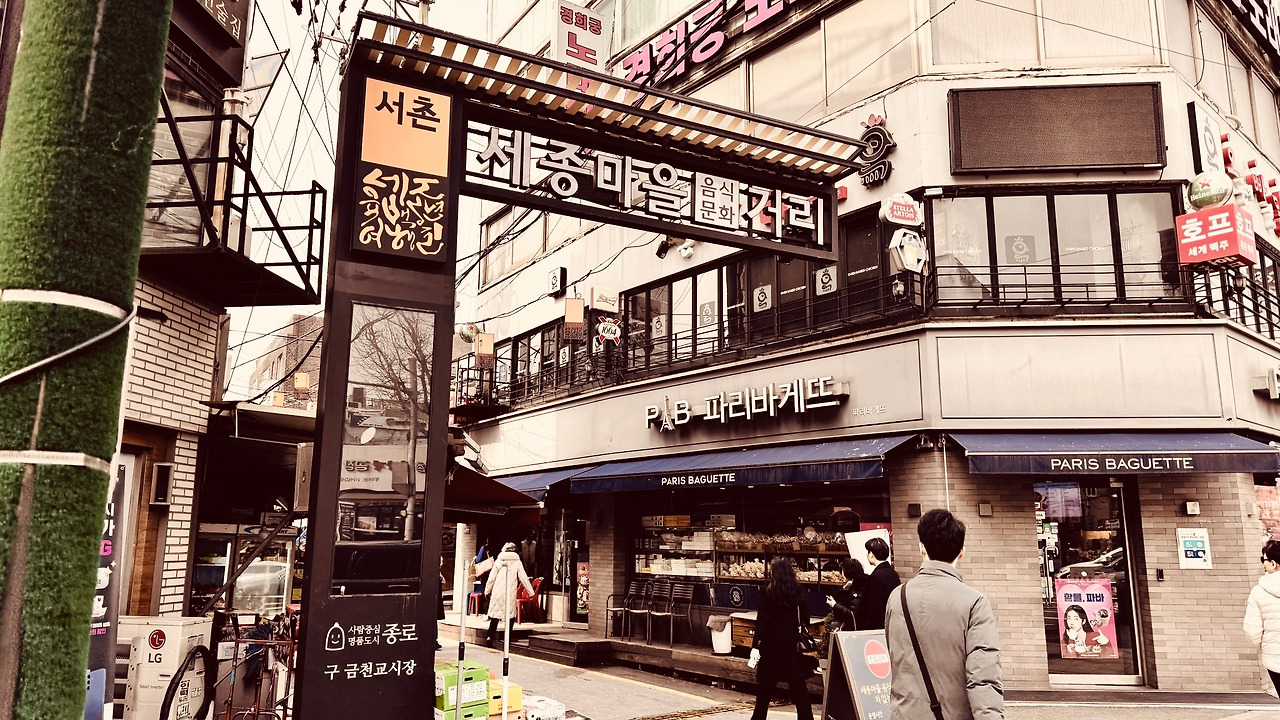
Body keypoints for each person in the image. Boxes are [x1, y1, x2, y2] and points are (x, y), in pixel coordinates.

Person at [885, 509, 1002, 720]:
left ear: (921, 548)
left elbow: (896, 661)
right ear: (962, 552)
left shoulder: (897, 597)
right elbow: (983, 678)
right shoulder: (974, 602)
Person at [748, 558, 814, 720]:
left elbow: (762, 622)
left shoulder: (767, 593)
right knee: (799, 688)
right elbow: (805, 619)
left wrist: (756, 646)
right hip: (793, 646)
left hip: (771, 647)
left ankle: (758, 718)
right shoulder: (798, 593)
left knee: (765, 689)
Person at [1244, 539, 1280, 696]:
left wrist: (1265, 646)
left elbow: (1251, 630)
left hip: (1275, 658)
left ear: (1273, 563)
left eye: (1263, 559)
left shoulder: (1259, 591)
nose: (1263, 564)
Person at [485, 542, 534, 648]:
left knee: (495, 616)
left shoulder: (499, 560)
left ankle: (489, 636)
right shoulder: (517, 562)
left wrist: (487, 591)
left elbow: (491, 578)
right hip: (509, 592)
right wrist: (531, 592)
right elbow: (523, 578)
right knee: (510, 615)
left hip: (498, 591)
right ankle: (508, 637)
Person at [857, 536, 900, 631]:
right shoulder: (893, 574)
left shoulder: (876, 577)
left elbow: (873, 607)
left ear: (871, 554)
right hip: (892, 623)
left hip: (878, 628)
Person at [826, 557, 866, 632]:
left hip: (855, 630)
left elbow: (853, 614)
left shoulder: (856, 591)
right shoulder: (859, 586)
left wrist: (834, 605)